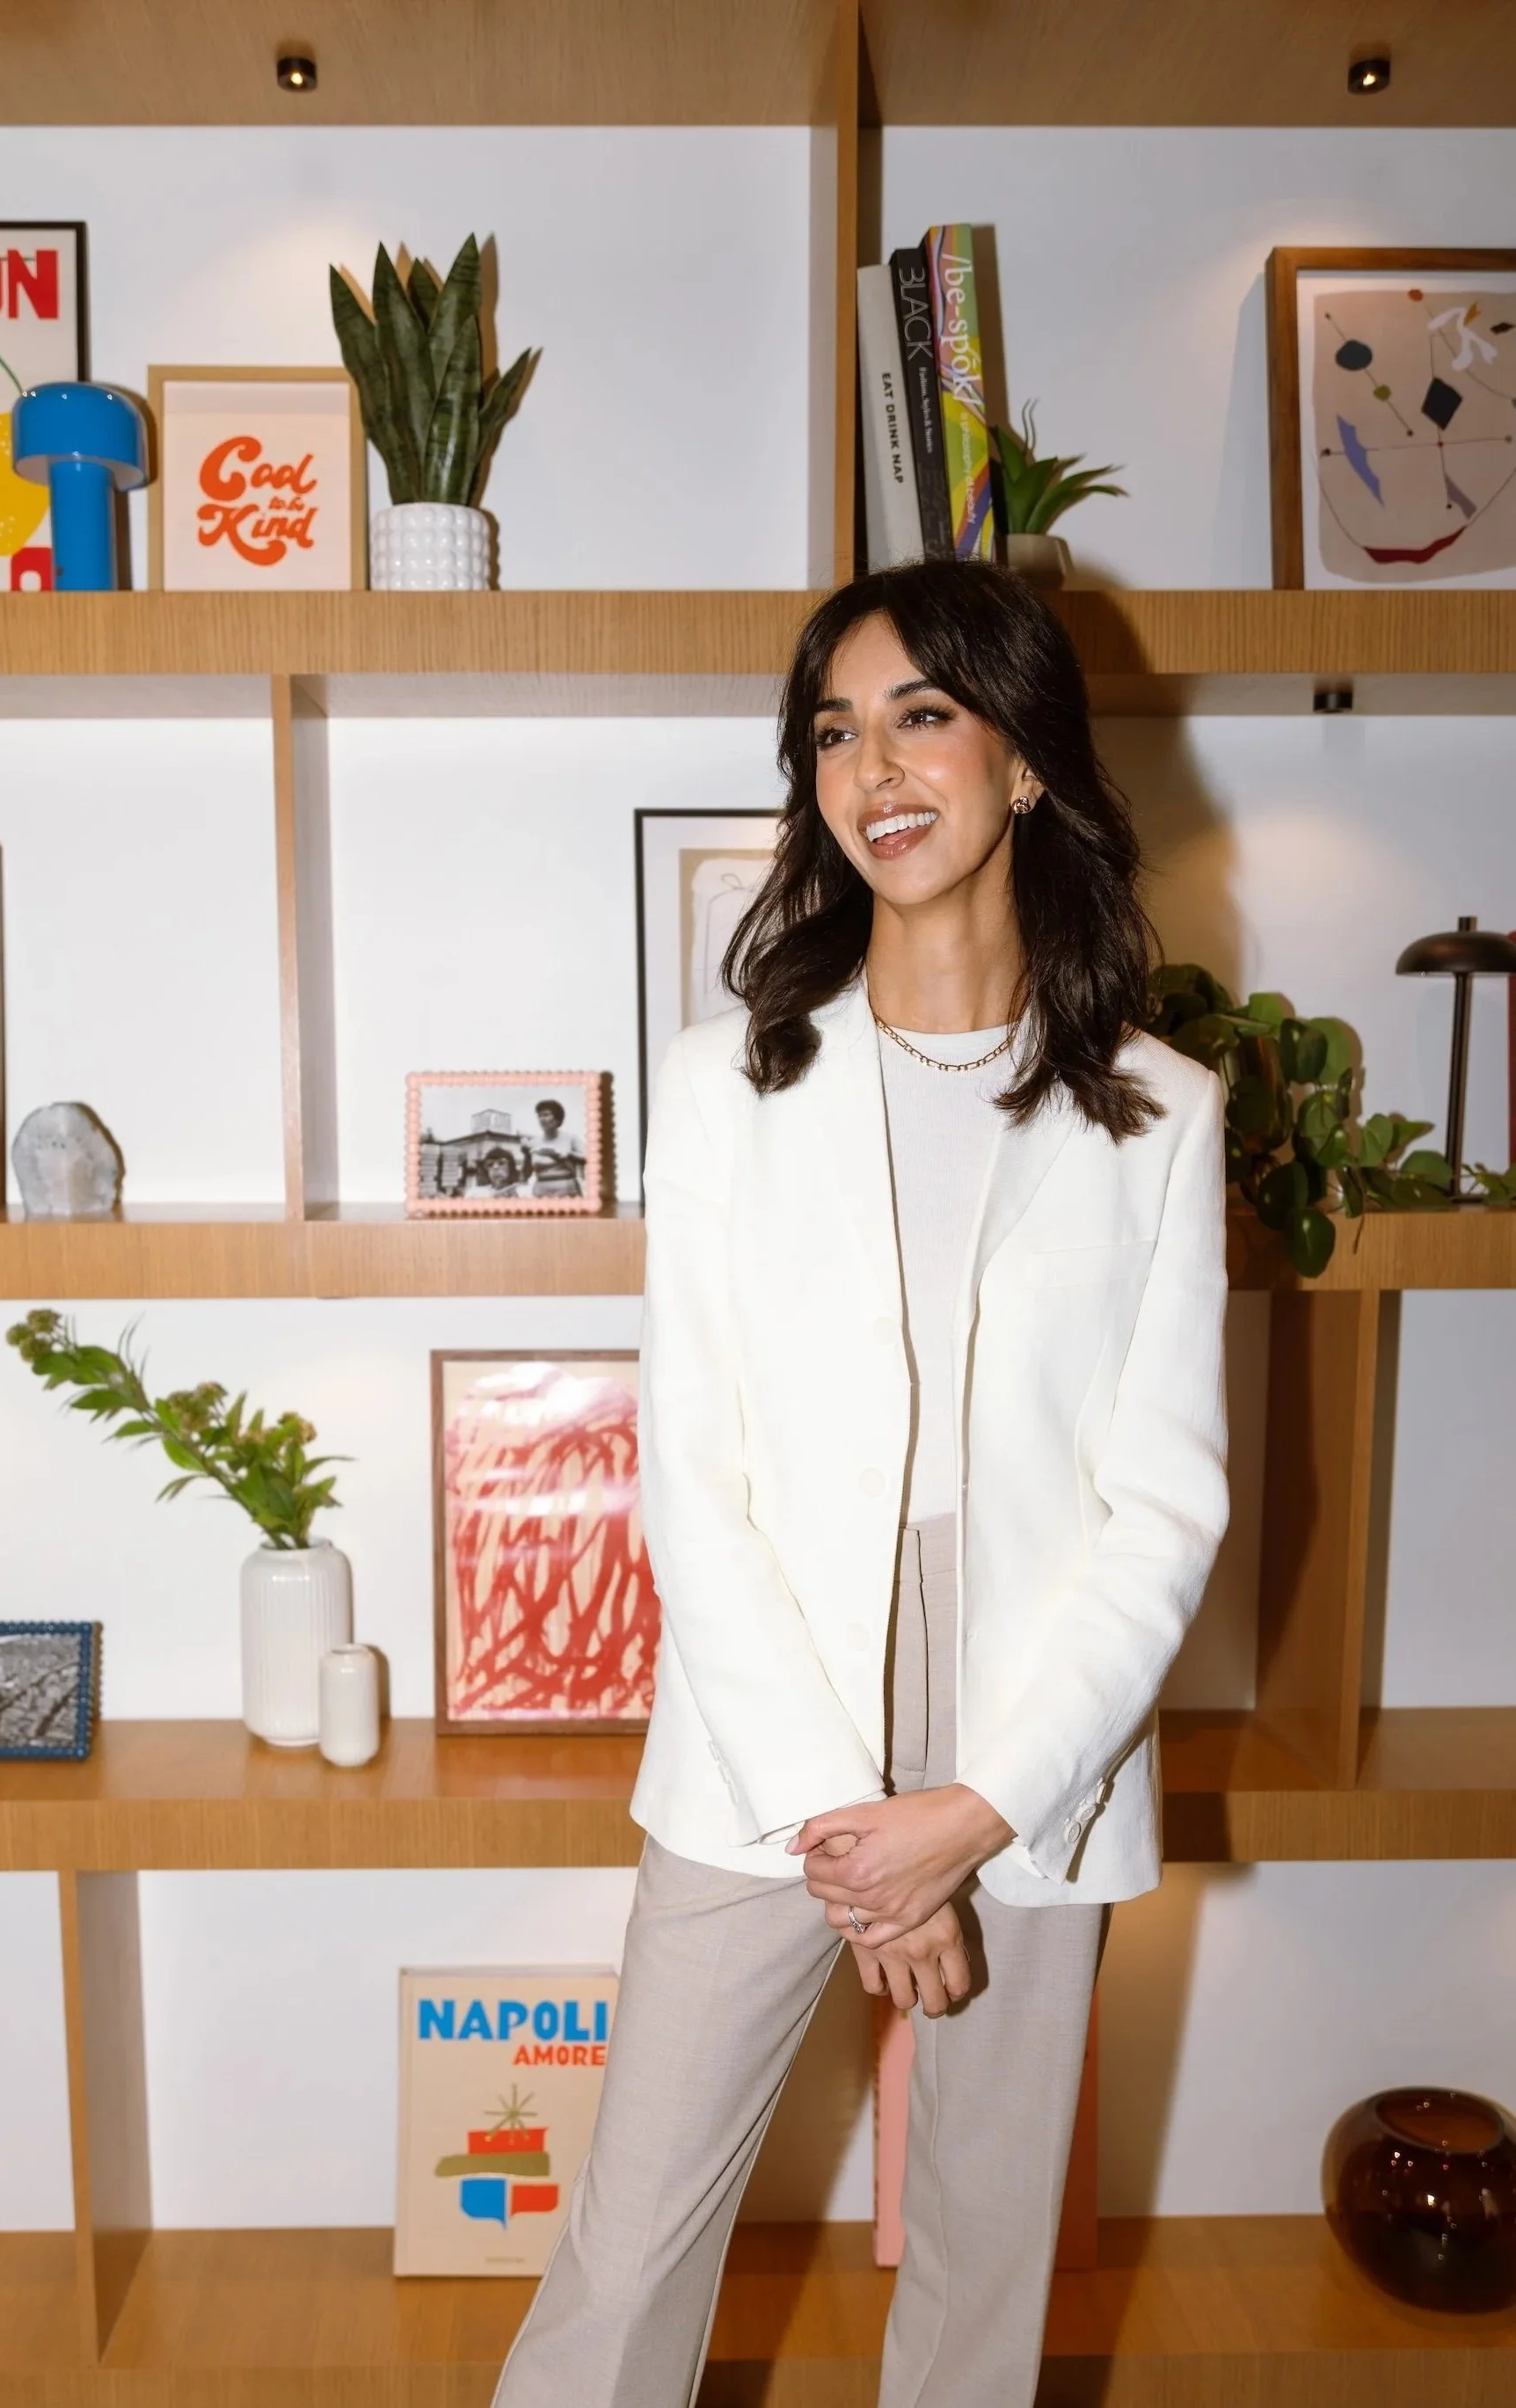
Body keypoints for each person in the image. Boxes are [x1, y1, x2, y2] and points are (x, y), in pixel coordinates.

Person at [492, 560, 1229, 2408]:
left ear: (1026, 758)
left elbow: (1165, 1503)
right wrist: (861, 1833)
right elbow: (697, 1483)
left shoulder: (1157, 1109)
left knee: (986, 2255)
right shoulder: (725, 1086)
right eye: (835, 726)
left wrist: (980, 1807)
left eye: (922, 712)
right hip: (773, 1709)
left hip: (1036, 1713)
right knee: (632, 2237)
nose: (874, 764)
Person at [528, 1097, 587, 1197]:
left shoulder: (571, 1138)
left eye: (546, 1114)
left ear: (557, 1118)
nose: (542, 1119)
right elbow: (526, 1174)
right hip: (541, 1193)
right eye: (539, 1116)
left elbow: (589, 1158)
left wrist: (569, 1155)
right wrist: (526, 1153)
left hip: (567, 1191)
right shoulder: (534, 1142)